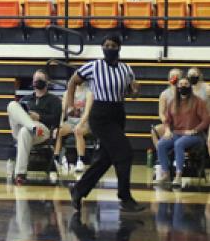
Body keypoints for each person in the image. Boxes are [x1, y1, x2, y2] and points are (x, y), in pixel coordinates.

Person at [67, 34, 146, 213]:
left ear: (119, 48)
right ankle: (125, 198)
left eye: (113, 45)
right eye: (106, 45)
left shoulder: (126, 69)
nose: (109, 49)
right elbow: (73, 81)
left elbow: (131, 94)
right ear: (102, 48)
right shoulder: (94, 66)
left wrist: (135, 90)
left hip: (118, 113)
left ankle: (78, 190)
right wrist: (71, 105)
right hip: (100, 114)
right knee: (125, 153)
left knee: (104, 159)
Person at [7, 70, 62, 186]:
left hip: (42, 131)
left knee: (24, 132)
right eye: (35, 80)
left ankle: (20, 174)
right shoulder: (25, 99)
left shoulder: (55, 100)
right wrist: (28, 119)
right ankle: (31, 126)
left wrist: (39, 117)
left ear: (47, 82)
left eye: (40, 80)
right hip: (25, 127)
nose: (37, 82)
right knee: (12, 105)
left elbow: (56, 120)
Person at [155, 75, 209, 187]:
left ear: (190, 86)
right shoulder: (173, 102)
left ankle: (178, 176)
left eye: (186, 84)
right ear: (177, 87)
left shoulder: (198, 102)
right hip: (177, 133)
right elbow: (167, 119)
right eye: (180, 84)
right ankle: (166, 174)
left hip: (195, 136)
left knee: (179, 143)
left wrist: (195, 130)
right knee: (161, 144)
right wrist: (167, 130)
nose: (183, 87)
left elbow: (206, 120)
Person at [53, 82, 93, 173]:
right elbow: (63, 111)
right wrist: (60, 124)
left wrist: (80, 124)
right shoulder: (67, 93)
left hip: (84, 123)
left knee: (78, 131)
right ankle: (55, 159)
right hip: (70, 122)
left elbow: (87, 113)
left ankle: (80, 161)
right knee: (59, 131)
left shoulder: (89, 93)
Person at [152, 68, 183, 149]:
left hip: (184, 124)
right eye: (172, 76)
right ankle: (161, 155)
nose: (175, 78)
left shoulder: (186, 92)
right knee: (155, 131)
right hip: (170, 124)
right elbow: (161, 113)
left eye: (177, 76)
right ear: (169, 79)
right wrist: (167, 128)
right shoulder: (164, 94)